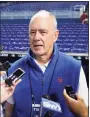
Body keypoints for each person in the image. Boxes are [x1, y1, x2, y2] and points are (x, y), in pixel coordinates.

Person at [5, 10, 88, 117]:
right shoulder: (14, 69)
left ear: (55, 36)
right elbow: (8, 111)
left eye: (43, 32)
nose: (36, 38)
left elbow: (85, 110)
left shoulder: (75, 68)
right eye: (32, 32)